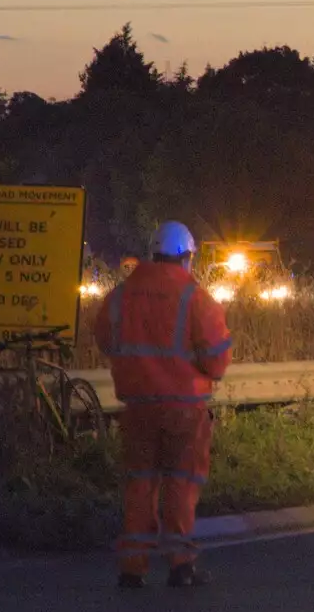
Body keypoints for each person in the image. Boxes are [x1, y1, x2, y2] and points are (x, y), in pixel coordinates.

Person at [94, 221, 231, 590]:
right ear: (187, 257)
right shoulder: (195, 297)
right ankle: (181, 565)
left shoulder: (122, 294)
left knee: (140, 483)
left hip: (138, 406)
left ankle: (132, 568)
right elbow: (217, 359)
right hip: (184, 408)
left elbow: (105, 338)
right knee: (180, 484)